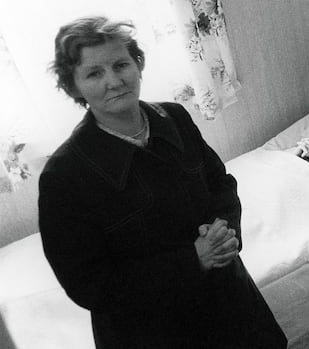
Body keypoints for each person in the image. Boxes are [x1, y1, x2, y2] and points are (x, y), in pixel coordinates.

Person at [38, 17, 287, 349]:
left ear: (138, 65)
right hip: (151, 332)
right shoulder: (64, 176)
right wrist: (192, 260)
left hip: (231, 302)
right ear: (74, 87)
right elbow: (89, 285)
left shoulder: (175, 118)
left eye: (120, 64)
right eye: (94, 73)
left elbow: (220, 183)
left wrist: (225, 233)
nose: (113, 81)